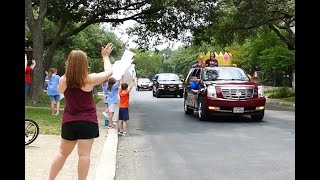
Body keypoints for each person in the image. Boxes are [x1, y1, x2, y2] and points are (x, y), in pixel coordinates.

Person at [48, 43, 114, 180]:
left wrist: (68, 73)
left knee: (62, 153)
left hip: (69, 121)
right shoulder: (89, 79)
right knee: (84, 155)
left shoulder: (63, 79)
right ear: (85, 64)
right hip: (88, 121)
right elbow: (109, 72)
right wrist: (105, 56)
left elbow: (60, 91)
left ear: (68, 63)